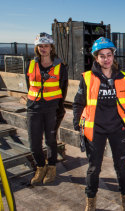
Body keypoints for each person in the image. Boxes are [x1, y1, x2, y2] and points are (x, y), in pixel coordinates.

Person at [72, 37, 125, 211]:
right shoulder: (87, 78)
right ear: (96, 58)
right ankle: (90, 201)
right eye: (102, 56)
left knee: (121, 166)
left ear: (113, 56)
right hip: (95, 130)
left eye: (109, 55)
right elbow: (78, 103)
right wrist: (78, 124)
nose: (106, 59)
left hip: (117, 129)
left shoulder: (123, 77)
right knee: (94, 168)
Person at [26, 32, 68, 185]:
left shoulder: (60, 67)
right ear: (37, 48)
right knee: (34, 142)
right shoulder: (31, 64)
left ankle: (51, 167)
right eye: (40, 46)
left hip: (51, 109)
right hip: (33, 108)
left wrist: (60, 108)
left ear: (51, 48)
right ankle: (40, 166)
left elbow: (63, 89)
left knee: (51, 140)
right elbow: (29, 85)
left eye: (46, 46)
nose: (43, 49)